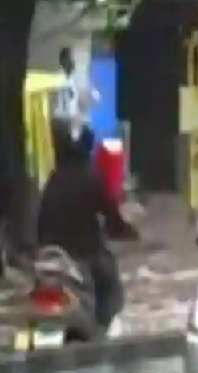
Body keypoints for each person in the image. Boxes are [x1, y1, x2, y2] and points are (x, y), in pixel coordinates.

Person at [36, 125, 136, 330]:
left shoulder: (53, 179)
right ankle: (101, 328)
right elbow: (110, 212)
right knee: (108, 286)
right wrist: (123, 229)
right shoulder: (91, 177)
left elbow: (39, 221)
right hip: (84, 252)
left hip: (51, 254)